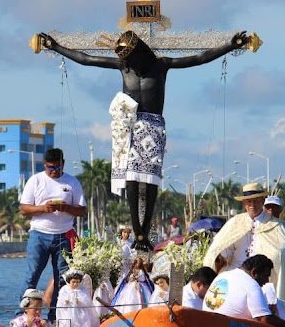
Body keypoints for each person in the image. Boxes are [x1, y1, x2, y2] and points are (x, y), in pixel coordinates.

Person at [39, 30, 248, 250]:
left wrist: (230, 46)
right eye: (126, 60)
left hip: (152, 127)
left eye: (132, 59)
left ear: (140, 53)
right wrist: (55, 47)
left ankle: (145, 231)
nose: (130, 64)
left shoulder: (161, 66)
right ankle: (138, 232)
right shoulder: (124, 67)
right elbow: (87, 59)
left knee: (149, 181)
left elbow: (198, 58)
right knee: (131, 179)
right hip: (127, 128)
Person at [18, 148, 87, 323]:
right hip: (39, 235)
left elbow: (82, 210)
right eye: (50, 168)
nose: (54, 171)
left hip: (64, 235)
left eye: (57, 167)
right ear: (44, 165)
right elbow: (24, 208)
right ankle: (22, 316)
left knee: (62, 278)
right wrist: (42, 208)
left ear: (63, 164)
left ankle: (55, 317)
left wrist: (66, 207)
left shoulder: (72, 182)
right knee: (31, 275)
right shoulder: (35, 180)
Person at [203, 183, 285, 298]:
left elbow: (280, 252)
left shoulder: (277, 226)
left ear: (262, 201)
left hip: (263, 277)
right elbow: (221, 248)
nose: (252, 205)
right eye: (249, 201)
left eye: (256, 201)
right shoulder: (234, 222)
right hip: (234, 274)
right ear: (244, 203)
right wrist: (218, 257)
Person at [203, 254, 285, 325]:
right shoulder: (251, 284)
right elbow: (265, 319)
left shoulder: (223, 275)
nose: (266, 281)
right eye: (265, 276)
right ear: (254, 272)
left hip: (206, 321)